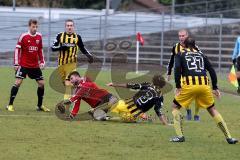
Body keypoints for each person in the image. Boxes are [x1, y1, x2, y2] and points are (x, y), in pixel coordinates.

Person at [169, 37, 238, 144]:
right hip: (204, 85)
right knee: (212, 109)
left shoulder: (180, 54)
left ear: (184, 45)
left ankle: (180, 136)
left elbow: (177, 69)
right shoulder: (201, 55)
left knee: (175, 107)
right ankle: (229, 137)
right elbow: (211, 70)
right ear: (195, 45)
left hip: (189, 85)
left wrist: (178, 86)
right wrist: (215, 87)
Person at [6, 19, 50, 112]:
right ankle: (9, 105)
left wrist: (42, 61)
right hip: (24, 65)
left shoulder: (39, 36)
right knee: (18, 82)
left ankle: (39, 106)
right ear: (29, 26)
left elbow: (40, 50)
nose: (35, 28)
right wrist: (16, 63)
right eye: (33, 26)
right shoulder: (23, 36)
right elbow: (17, 49)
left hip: (34, 65)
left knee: (41, 84)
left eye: (36, 27)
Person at [51, 19, 94, 109]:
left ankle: (65, 106)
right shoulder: (60, 36)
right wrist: (61, 47)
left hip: (72, 64)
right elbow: (53, 47)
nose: (69, 27)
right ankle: (73, 95)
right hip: (61, 64)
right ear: (65, 27)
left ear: (73, 27)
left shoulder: (77, 37)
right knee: (66, 84)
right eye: (68, 25)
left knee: (68, 85)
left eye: (71, 25)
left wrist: (89, 56)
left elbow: (82, 48)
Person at [166, 29, 200, 121]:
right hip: (182, 76)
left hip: (194, 75)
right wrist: (169, 72)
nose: (181, 38)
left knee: (197, 94)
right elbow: (171, 60)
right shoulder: (176, 47)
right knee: (183, 93)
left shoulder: (195, 47)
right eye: (180, 36)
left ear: (187, 36)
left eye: (183, 36)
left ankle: (196, 115)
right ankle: (188, 111)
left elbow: (200, 59)